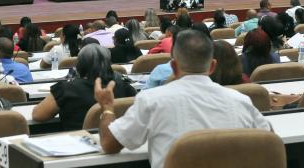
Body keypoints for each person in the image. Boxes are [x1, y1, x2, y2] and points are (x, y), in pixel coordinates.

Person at [94, 30, 271, 168]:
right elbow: (269, 139)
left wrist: (107, 107)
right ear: (212, 66)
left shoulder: (151, 100)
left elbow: (109, 144)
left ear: (174, 66)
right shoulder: (240, 101)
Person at [32, 44, 136, 130]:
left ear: (80, 65)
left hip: (75, 145)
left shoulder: (66, 88)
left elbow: (38, 115)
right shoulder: (124, 85)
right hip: (116, 141)